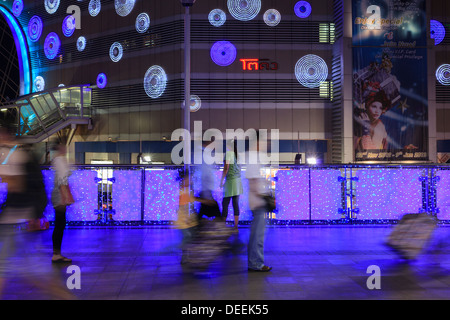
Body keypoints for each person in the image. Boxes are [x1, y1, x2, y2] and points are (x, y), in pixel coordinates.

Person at [246, 133, 272, 272]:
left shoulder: (253, 157)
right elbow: (253, 182)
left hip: (257, 202)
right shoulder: (253, 157)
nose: (265, 144)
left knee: (256, 234)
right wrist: (264, 196)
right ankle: (256, 263)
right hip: (258, 203)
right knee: (258, 236)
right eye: (263, 141)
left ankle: (254, 262)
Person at [50, 143, 73, 263]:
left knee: (60, 224)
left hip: (58, 193)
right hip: (59, 194)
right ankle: (56, 254)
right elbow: (62, 180)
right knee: (60, 224)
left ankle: (57, 253)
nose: (65, 149)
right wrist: (66, 196)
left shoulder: (59, 159)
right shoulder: (59, 160)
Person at [220, 139, 243, 230]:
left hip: (230, 182)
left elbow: (226, 168)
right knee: (235, 204)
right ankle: (236, 226)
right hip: (238, 182)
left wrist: (221, 180)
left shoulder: (229, 153)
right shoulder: (238, 155)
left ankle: (222, 226)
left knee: (225, 203)